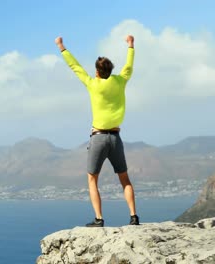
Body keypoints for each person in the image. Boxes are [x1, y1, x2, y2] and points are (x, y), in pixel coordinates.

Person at [55, 35, 139, 227]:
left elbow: (75, 67)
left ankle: (99, 219)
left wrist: (61, 47)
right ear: (111, 70)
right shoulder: (120, 81)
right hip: (116, 138)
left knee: (92, 179)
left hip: (98, 137)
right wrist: (130, 45)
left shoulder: (93, 84)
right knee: (124, 178)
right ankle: (134, 217)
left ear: (97, 72)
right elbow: (129, 66)